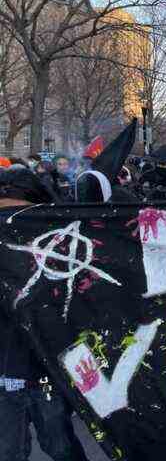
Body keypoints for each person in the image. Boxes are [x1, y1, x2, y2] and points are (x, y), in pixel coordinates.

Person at [0, 167, 89, 461]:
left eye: (18, 216)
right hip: (5, 371)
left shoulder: (59, 246)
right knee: (9, 449)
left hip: (45, 368)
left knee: (60, 444)